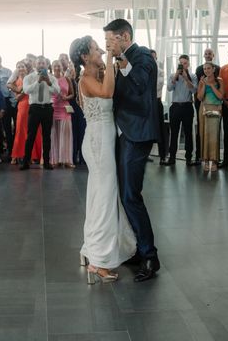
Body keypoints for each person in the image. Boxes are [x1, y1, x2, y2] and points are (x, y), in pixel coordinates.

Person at [69, 36, 137, 283]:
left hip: (104, 139)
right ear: (86, 57)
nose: (101, 52)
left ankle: (90, 250)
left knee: (100, 195)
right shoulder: (87, 79)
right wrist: (110, 58)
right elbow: (108, 93)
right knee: (105, 197)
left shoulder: (93, 76)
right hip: (99, 143)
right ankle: (99, 262)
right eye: (97, 50)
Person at [104, 18, 160, 283]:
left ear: (124, 37)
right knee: (126, 194)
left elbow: (140, 83)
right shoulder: (123, 59)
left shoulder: (143, 57)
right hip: (124, 132)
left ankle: (150, 255)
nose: (108, 46)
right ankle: (140, 248)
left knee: (130, 195)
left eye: (110, 40)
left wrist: (123, 65)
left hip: (137, 134)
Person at [20, 56, 60, 170]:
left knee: (47, 136)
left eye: (43, 63)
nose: (41, 65)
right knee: (30, 136)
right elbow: (27, 90)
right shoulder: (29, 77)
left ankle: (46, 162)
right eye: (39, 63)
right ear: (34, 65)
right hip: (35, 108)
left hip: (47, 108)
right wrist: (38, 81)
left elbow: (57, 92)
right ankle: (26, 162)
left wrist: (48, 83)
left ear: (47, 65)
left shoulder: (52, 78)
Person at [165, 54, 198, 166]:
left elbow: (194, 91)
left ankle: (188, 158)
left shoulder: (192, 76)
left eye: (184, 63)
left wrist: (185, 77)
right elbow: (169, 88)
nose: (182, 66)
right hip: (175, 107)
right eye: (181, 63)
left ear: (188, 64)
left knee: (188, 133)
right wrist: (176, 76)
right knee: (173, 133)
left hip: (187, 107)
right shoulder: (172, 75)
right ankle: (172, 157)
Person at [8, 61, 42, 164]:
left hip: (32, 105)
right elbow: (17, 97)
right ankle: (15, 155)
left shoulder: (31, 79)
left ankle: (31, 155)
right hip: (22, 107)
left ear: (26, 68)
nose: (20, 68)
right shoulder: (15, 81)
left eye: (22, 66)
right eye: (18, 67)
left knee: (33, 131)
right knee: (20, 131)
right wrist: (23, 91)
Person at [196, 62, 223, 172]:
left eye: (208, 68)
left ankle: (214, 160)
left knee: (214, 135)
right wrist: (202, 85)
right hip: (204, 108)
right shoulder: (202, 81)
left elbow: (221, 96)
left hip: (215, 108)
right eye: (204, 69)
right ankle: (206, 160)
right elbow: (200, 97)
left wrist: (211, 85)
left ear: (213, 69)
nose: (206, 70)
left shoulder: (219, 81)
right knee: (204, 134)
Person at [49, 60, 74, 167]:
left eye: (58, 66)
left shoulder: (67, 79)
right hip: (53, 108)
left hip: (65, 108)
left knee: (66, 134)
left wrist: (66, 97)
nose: (57, 68)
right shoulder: (49, 79)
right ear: (52, 67)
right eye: (55, 66)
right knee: (53, 134)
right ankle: (54, 160)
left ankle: (67, 160)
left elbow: (72, 94)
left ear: (61, 67)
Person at [194, 48, 217, 163]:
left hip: (215, 103)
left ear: (213, 55)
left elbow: (218, 86)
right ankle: (199, 155)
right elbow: (198, 88)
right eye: (206, 54)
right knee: (201, 130)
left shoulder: (218, 69)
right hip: (201, 102)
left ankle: (213, 157)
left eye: (210, 54)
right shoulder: (199, 69)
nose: (208, 55)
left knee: (213, 131)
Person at [151, 50, 168, 165]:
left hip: (156, 102)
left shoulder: (160, 71)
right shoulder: (144, 70)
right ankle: (144, 154)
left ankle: (163, 156)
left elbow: (157, 86)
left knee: (160, 129)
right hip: (147, 103)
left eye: (153, 57)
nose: (152, 59)